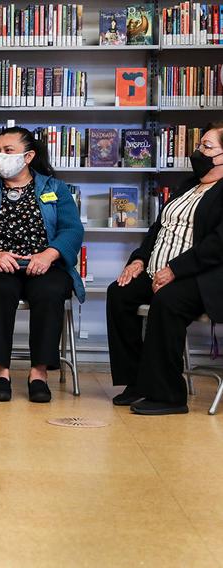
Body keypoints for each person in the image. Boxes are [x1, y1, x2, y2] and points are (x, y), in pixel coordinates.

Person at [0, 126, 84, 403]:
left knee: (50, 292)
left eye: (8, 151)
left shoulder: (55, 188)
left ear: (28, 157)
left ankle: (39, 374)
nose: (0, 156)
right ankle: (0, 373)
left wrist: (49, 255)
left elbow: (72, 230)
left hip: (44, 265)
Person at [106, 122, 223, 415]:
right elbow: (159, 229)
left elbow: (217, 245)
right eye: (200, 146)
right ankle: (136, 382)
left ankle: (170, 395)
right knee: (118, 293)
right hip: (156, 269)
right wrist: (138, 260)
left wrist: (174, 270)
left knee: (167, 302)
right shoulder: (189, 185)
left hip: (199, 277)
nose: (199, 152)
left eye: (207, 147)